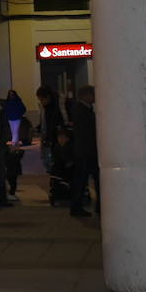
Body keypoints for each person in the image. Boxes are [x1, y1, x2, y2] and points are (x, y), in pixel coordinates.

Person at [70, 85, 99, 217]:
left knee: (84, 181)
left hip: (85, 152)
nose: (94, 98)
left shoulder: (83, 110)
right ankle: (77, 207)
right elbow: (86, 133)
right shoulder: (82, 111)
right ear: (86, 96)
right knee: (82, 181)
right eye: (92, 95)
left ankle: (80, 207)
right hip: (86, 152)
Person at [35, 86, 63, 174]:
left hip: (58, 136)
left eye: (42, 99)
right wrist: (37, 128)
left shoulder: (59, 106)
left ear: (48, 97)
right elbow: (45, 122)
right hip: (50, 136)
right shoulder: (46, 107)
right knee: (51, 158)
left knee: (58, 158)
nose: (41, 102)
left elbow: (54, 122)